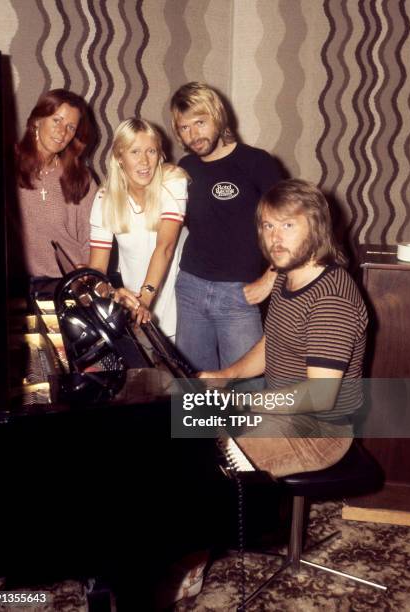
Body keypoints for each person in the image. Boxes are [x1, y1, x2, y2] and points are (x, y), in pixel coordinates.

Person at [200, 178, 368, 477]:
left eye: (288, 225)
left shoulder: (331, 299)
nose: (275, 238)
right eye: (267, 226)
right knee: (185, 430)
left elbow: (320, 395)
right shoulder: (285, 275)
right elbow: (272, 344)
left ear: (317, 227)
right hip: (282, 414)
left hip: (320, 433)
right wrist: (225, 376)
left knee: (210, 468)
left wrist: (241, 400)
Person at [170, 81, 283, 371]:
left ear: (218, 117)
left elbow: (289, 223)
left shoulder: (256, 162)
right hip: (191, 288)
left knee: (246, 393)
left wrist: (271, 278)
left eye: (200, 122)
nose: (193, 134)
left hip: (239, 294)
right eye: (184, 127)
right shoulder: (186, 169)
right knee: (194, 387)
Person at [89, 118, 188, 339]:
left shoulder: (173, 182)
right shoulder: (104, 198)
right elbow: (96, 270)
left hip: (183, 308)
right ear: (119, 157)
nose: (144, 161)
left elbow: (165, 247)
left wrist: (144, 299)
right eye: (135, 152)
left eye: (151, 151)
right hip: (137, 311)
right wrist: (112, 293)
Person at [13, 89, 95, 283]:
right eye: (56, 120)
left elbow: (91, 236)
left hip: (68, 285)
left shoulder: (81, 177)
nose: (62, 132)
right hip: (16, 286)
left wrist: (88, 274)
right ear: (37, 120)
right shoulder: (8, 166)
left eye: (71, 127)